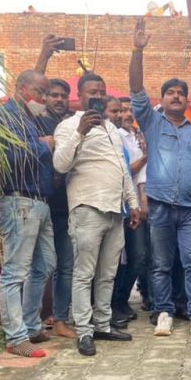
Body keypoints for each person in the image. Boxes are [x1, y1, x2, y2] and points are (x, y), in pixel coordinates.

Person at [129, 16, 191, 338]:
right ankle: (163, 311)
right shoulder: (152, 124)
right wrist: (137, 51)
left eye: (181, 93)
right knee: (161, 263)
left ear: (188, 100)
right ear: (163, 99)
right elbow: (136, 90)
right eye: (170, 93)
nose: (176, 96)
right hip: (162, 205)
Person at [54, 82, 140, 357]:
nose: (98, 96)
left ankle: (102, 324)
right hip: (87, 207)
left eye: (102, 92)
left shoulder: (112, 128)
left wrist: (133, 203)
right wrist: (80, 132)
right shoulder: (69, 125)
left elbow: (122, 169)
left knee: (108, 273)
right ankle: (84, 330)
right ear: (80, 96)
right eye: (92, 91)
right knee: (84, 273)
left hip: (116, 209)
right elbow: (60, 164)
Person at [0, 70, 56, 358]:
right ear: (22, 88)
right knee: (15, 272)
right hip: (18, 199)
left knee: (45, 265)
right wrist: (44, 145)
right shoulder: (4, 117)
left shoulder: (25, 118)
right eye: (40, 92)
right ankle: (16, 337)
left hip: (38, 201)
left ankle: (30, 326)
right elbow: (10, 156)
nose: (43, 99)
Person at [33, 37, 76, 339]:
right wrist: (43, 56)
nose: (59, 99)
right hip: (40, 202)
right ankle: (32, 321)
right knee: (39, 267)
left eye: (63, 95)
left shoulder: (74, 123)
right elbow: (28, 91)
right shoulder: (36, 120)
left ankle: (60, 319)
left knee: (67, 266)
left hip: (68, 205)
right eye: (54, 94)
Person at [112, 96, 150, 324]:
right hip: (120, 206)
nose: (126, 115)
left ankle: (121, 300)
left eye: (129, 111)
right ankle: (114, 304)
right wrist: (146, 156)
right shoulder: (115, 136)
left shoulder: (136, 136)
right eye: (122, 110)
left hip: (135, 206)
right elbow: (125, 169)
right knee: (117, 260)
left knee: (139, 257)